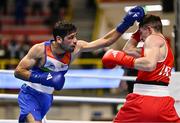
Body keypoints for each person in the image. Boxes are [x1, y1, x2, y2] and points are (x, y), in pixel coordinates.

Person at [14, 6, 145, 123]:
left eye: (75, 36)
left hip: (47, 97)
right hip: (30, 93)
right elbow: (18, 71)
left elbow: (105, 41)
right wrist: (43, 77)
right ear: (59, 39)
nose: (75, 41)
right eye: (70, 38)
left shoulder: (77, 48)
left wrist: (126, 23)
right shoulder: (40, 50)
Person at [102, 14, 180, 122]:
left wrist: (123, 60)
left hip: (143, 100)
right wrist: (137, 34)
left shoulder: (153, 39)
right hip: (164, 102)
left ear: (148, 29)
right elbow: (128, 50)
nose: (141, 38)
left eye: (141, 33)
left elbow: (149, 64)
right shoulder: (164, 47)